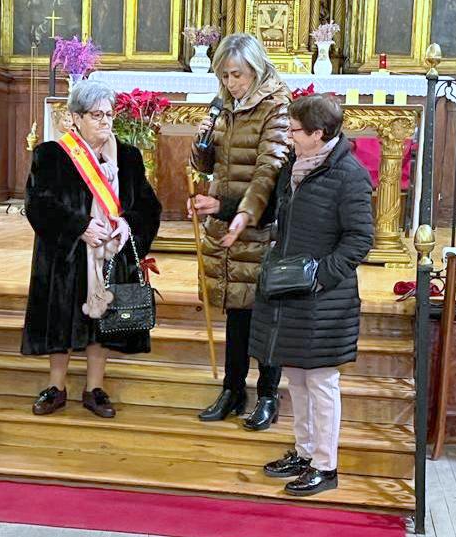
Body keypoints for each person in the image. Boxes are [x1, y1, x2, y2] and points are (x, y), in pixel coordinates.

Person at [21, 80, 162, 419]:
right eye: (96, 114)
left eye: (109, 114)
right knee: (62, 320)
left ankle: (94, 388)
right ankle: (56, 387)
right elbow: (38, 204)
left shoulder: (128, 157)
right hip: (66, 256)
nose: (105, 121)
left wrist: (127, 225)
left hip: (111, 255)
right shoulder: (52, 155)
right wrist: (79, 226)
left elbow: (148, 205)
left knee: (104, 324)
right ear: (75, 118)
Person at [256, 94, 374, 495]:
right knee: (297, 379)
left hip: (326, 297)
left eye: (294, 131)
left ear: (318, 134)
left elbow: (359, 239)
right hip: (293, 291)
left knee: (321, 382)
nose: (289, 136)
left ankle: (326, 464)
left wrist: (321, 276)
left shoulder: (349, 175)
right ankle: (304, 452)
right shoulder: (297, 166)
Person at [189, 33, 290, 429]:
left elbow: (269, 171)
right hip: (227, 222)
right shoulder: (224, 107)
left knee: (264, 312)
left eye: (238, 75)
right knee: (235, 308)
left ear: (257, 68)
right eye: (225, 76)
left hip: (259, 223)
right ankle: (233, 389)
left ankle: (267, 393)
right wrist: (201, 143)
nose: (231, 83)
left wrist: (243, 214)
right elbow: (208, 165)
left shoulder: (276, 107)